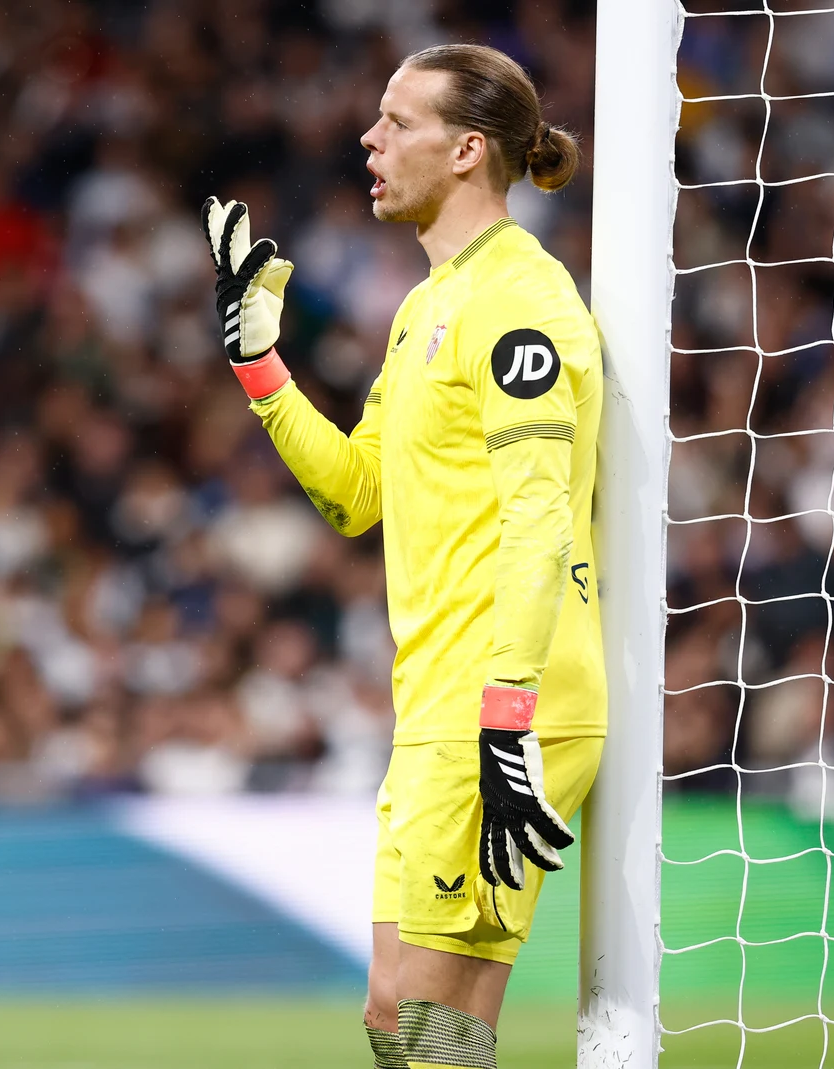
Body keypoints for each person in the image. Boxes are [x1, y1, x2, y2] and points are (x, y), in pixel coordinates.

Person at [202, 43, 605, 1069]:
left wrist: (507, 718)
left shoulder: (519, 300)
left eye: (398, 123)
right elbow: (355, 495)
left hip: (501, 700)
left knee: (434, 1029)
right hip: (438, 698)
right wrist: (260, 364)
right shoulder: (428, 307)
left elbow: (539, 518)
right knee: (397, 1019)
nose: (368, 140)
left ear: (468, 150)